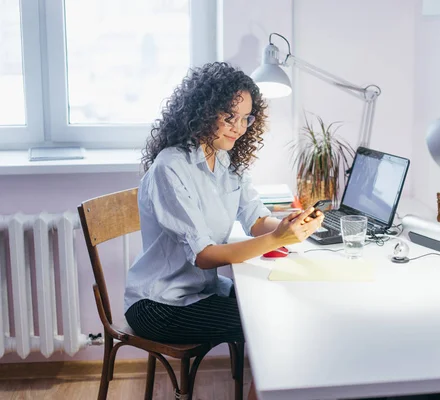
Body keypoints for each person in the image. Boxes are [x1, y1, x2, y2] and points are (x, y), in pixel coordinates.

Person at [124, 62, 324, 398]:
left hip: (202, 291)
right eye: (229, 116)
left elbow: (257, 219)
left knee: (281, 304)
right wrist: (276, 239)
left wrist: (292, 225)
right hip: (159, 305)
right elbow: (204, 257)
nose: (239, 127)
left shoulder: (227, 160)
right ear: (203, 110)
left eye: (246, 118)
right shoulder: (171, 167)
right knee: (268, 322)